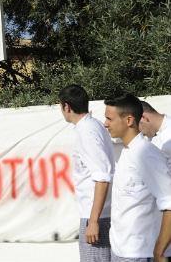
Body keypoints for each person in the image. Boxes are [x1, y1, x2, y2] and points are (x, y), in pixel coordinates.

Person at [104, 94, 171, 262]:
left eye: (109, 119)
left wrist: (159, 251)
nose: (105, 124)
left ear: (128, 120)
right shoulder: (128, 152)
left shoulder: (146, 154)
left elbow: (169, 202)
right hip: (122, 251)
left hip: (140, 254)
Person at [59, 85, 114, 262]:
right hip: (97, 215)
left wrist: (94, 221)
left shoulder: (87, 131)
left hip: (97, 216)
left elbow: (103, 176)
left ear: (66, 106)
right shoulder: (93, 126)